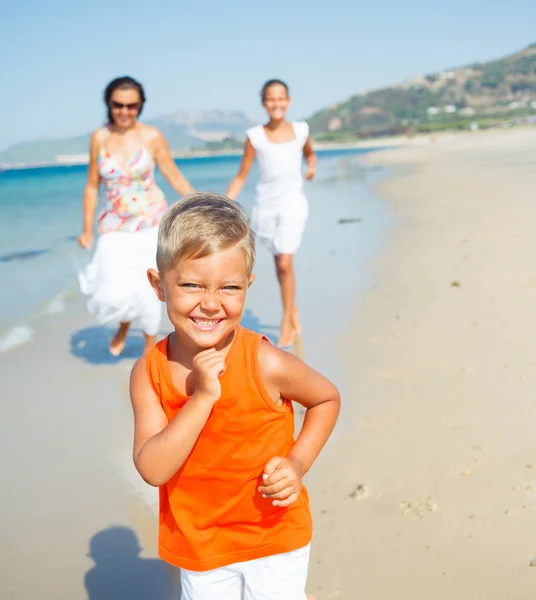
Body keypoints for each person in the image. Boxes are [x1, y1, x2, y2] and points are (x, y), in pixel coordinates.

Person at [130, 192, 340, 599]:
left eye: (229, 287)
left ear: (248, 285)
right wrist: (203, 398)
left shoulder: (264, 361)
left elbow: (326, 399)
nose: (210, 304)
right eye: (191, 285)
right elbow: (153, 470)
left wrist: (297, 463)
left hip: (273, 535)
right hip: (200, 546)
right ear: (159, 285)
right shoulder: (149, 371)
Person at [78, 76, 194, 356]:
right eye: (118, 105)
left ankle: (148, 347)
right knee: (114, 287)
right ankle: (124, 325)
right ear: (109, 104)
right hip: (113, 224)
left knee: (149, 283)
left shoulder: (151, 136)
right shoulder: (99, 138)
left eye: (132, 106)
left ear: (141, 105)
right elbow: (93, 186)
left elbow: (173, 176)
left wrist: (202, 203)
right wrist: (87, 229)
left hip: (151, 221)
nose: (125, 111)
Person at [226, 79, 317, 349]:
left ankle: (287, 321)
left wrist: (311, 169)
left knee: (285, 262)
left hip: (293, 205)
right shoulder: (255, 136)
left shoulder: (301, 130)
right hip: (266, 207)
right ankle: (292, 308)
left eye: (281, 98)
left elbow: (310, 156)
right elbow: (242, 175)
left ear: (288, 101)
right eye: (270, 99)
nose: (276, 103)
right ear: (264, 103)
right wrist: (223, 202)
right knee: (279, 262)